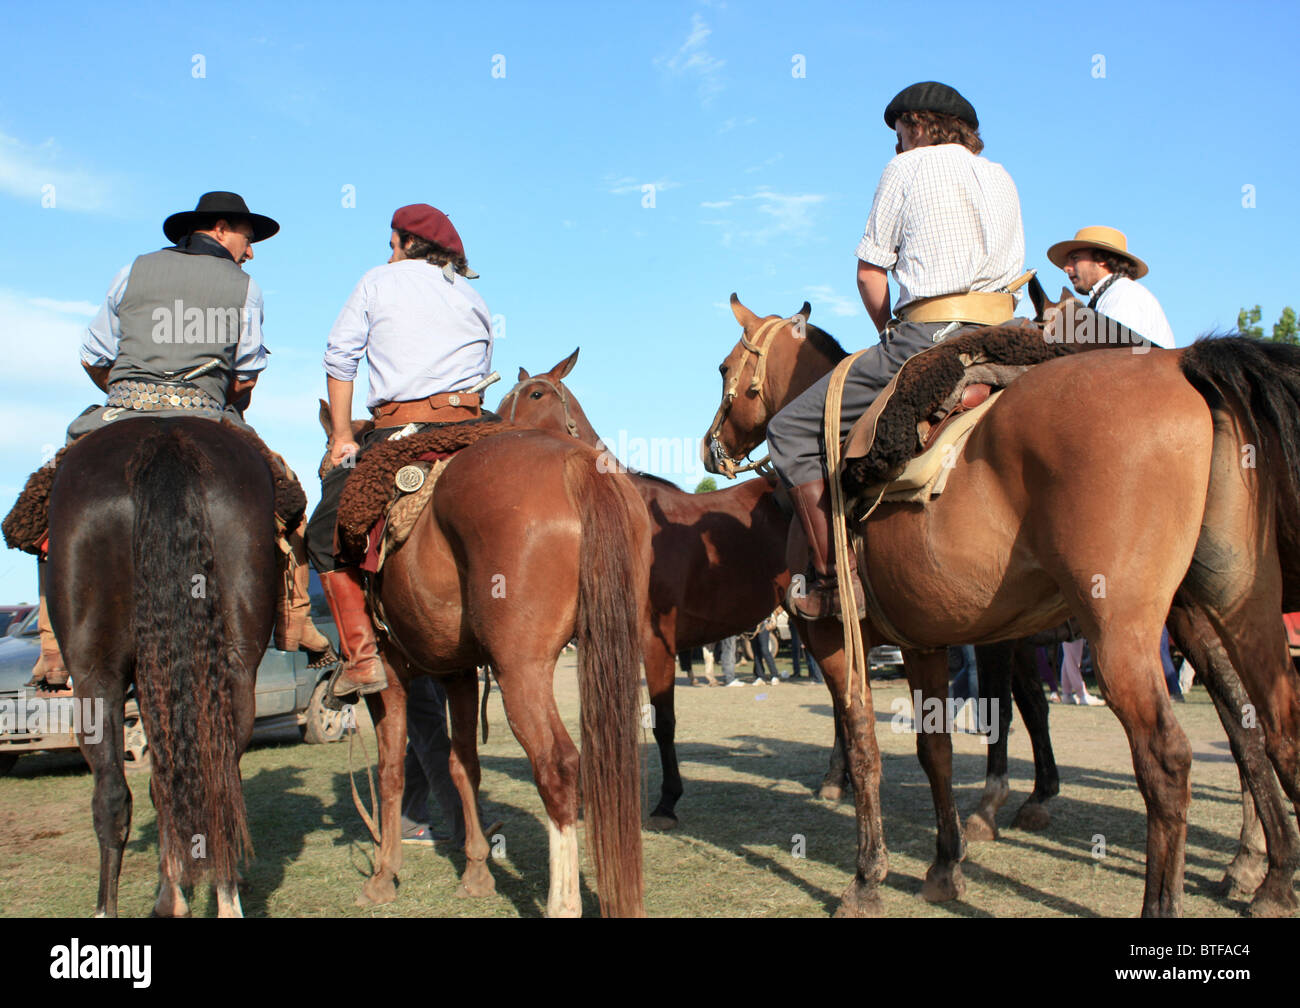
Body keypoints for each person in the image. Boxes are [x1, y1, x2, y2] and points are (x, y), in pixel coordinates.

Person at [767, 82, 1025, 621]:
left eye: (900, 133)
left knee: (789, 429)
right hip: (1006, 333)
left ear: (916, 124)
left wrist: (889, 330)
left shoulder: (906, 170)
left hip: (932, 331)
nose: (897, 144)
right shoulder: (1002, 176)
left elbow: (869, 272)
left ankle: (835, 583)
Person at [28, 191, 281, 689]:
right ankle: (299, 625)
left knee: (39, 508)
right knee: (284, 503)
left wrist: (132, 392)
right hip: (206, 411)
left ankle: (53, 648)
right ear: (223, 228)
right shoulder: (245, 286)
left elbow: (92, 352)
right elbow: (247, 373)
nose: (250, 252)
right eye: (248, 239)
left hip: (120, 410)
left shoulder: (132, 270)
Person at [306, 204, 491, 701]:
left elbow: (339, 356)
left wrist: (343, 435)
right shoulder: (473, 295)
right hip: (475, 427)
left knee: (325, 531)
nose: (389, 256)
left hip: (404, 430)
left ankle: (363, 658)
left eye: (392, 245)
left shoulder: (377, 282)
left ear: (409, 243)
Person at [1047, 226, 1174, 347]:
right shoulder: (1113, 293)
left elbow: (1114, 354)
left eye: (1075, 258)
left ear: (1101, 259)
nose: (1066, 268)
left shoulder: (1124, 295)